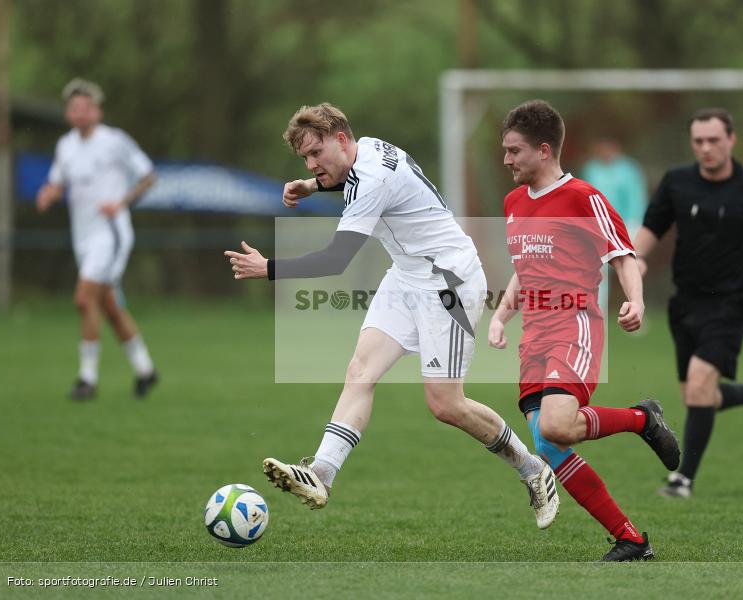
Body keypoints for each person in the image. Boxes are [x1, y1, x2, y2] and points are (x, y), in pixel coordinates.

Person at [224, 103, 559, 528]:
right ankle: (322, 474)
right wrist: (313, 184)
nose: (312, 163)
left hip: (449, 283)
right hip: (406, 277)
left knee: (446, 404)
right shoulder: (366, 149)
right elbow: (351, 177)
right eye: (305, 158)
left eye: (316, 154)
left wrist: (268, 268)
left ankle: (533, 470)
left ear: (341, 139)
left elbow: (336, 259)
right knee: (360, 370)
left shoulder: (371, 178)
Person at [487, 100, 680, 561]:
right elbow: (525, 268)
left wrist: (635, 299)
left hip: (574, 324)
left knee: (555, 425)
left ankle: (641, 419)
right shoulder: (513, 203)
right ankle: (631, 539)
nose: (507, 160)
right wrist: (500, 316)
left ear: (544, 150)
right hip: (533, 334)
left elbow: (622, 254)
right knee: (547, 444)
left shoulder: (582, 198)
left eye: (514, 151)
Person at [634, 108, 743, 498]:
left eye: (714, 140)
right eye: (698, 141)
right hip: (686, 303)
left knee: (699, 385)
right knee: (698, 395)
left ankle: (683, 480)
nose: (706, 148)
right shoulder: (677, 182)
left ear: (731, 140)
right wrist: (636, 259)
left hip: (733, 302)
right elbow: (651, 228)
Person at [36, 78, 158, 400]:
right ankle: (145, 369)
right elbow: (57, 182)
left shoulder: (114, 141)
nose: (80, 113)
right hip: (83, 237)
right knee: (107, 305)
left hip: (111, 232)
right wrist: (49, 193)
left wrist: (121, 202)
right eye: (74, 108)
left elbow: (148, 176)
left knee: (83, 298)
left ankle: (87, 379)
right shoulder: (66, 146)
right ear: (68, 113)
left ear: (98, 110)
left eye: (87, 107)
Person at [581, 137, 648, 315]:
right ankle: (596, 311)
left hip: (627, 225)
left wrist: (634, 228)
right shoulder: (592, 168)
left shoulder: (628, 169)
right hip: (599, 226)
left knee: (629, 266)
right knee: (596, 268)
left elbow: (636, 199)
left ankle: (635, 308)